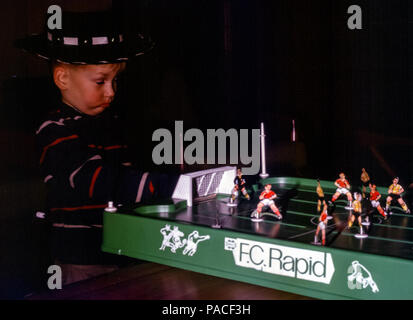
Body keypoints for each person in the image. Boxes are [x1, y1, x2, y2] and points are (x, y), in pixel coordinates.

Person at [16, 10, 176, 285]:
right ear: (63, 79)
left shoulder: (111, 124)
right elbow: (98, 180)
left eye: (115, 81)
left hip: (121, 249)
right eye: (101, 81)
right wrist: (165, 186)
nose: (111, 91)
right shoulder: (53, 129)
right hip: (82, 260)